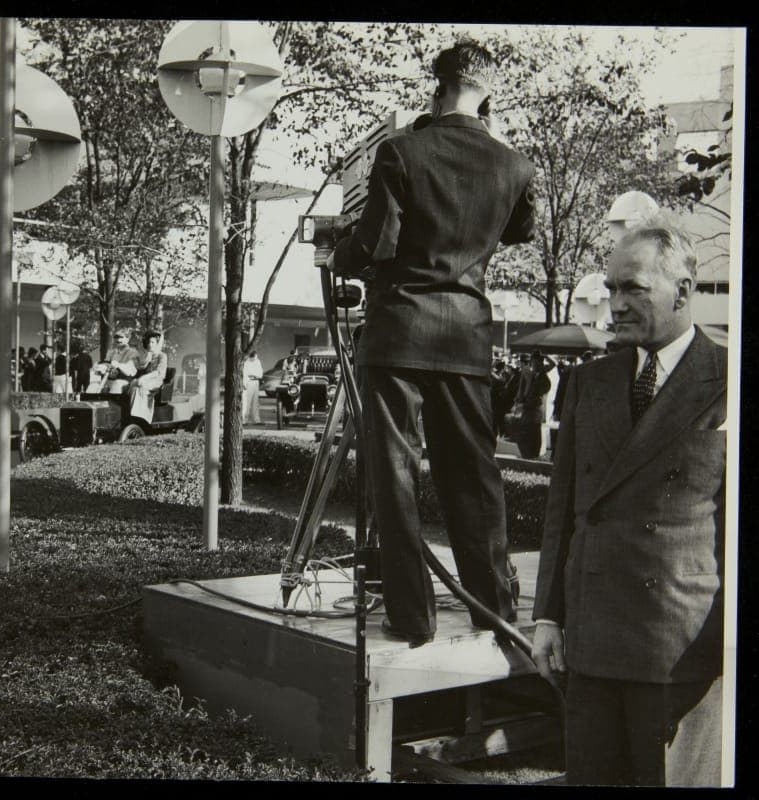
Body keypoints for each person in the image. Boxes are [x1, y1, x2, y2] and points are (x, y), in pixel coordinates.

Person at [327, 40, 536, 641]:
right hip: (466, 339)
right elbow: (518, 230)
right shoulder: (515, 166)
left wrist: (339, 249)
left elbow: (375, 246)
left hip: (397, 336)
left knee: (395, 478)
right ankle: (493, 612)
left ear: (436, 85)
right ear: (487, 92)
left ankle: (411, 618)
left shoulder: (401, 152)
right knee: (473, 478)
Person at [532, 224, 726, 786]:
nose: (615, 305)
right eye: (611, 288)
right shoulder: (589, 382)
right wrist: (548, 617)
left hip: (679, 652)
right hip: (590, 649)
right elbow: (562, 513)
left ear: (683, 291)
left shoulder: (727, 379)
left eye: (633, 289)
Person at [515, 350, 553, 458]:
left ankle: (533, 453)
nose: (534, 364)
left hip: (535, 408)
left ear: (540, 363)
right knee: (527, 431)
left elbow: (539, 395)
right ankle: (528, 453)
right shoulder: (532, 374)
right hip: (528, 407)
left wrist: (546, 355)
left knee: (535, 432)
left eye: (536, 362)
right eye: (533, 362)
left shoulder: (543, 376)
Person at [127, 331, 169, 424]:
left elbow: (158, 372)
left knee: (140, 386)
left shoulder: (162, 356)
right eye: (149, 342)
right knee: (133, 384)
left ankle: (143, 418)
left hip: (156, 381)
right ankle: (131, 413)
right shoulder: (147, 356)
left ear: (157, 344)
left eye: (153, 342)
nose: (150, 345)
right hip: (146, 379)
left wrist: (144, 378)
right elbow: (140, 367)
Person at [103, 330, 141, 394]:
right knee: (94, 385)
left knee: (117, 383)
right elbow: (106, 364)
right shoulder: (111, 352)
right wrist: (102, 367)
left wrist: (118, 365)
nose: (118, 340)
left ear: (127, 339)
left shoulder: (133, 352)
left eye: (121, 337)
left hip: (127, 381)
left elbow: (131, 371)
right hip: (109, 380)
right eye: (116, 337)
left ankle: (113, 403)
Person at [242, 350, 263, 424]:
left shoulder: (258, 361)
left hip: (256, 382)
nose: (255, 358)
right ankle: (244, 420)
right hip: (249, 382)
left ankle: (256, 420)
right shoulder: (246, 362)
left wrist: (255, 375)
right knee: (247, 402)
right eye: (254, 357)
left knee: (255, 402)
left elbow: (260, 374)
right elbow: (245, 374)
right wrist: (244, 384)